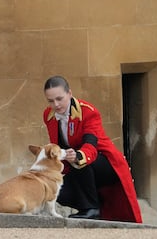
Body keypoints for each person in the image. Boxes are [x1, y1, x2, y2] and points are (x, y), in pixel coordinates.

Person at [42, 75, 142, 222]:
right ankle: (93, 205)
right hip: (77, 167)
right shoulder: (48, 115)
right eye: (51, 101)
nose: (56, 105)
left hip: (105, 163)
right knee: (57, 191)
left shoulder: (88, 112)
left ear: (69, 94)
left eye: (59, 99)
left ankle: (91, 209)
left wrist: (77, 156)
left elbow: (91, 144)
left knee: (82, 163)